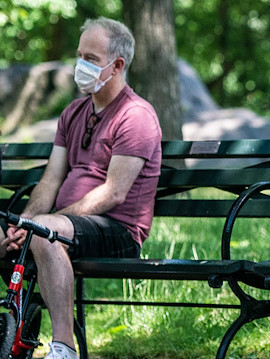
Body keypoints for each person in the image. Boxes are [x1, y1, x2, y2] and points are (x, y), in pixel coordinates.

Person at [0, 17, 162, 359]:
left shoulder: (136, 116)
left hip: (117, 230)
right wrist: (24, 221)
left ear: (116, 65)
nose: (80, 65)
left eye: (90, 58)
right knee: (19, 230)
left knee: (45, 232)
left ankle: (64, 349)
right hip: (60, 224)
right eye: (79, 55)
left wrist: (40, 225)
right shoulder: (73, 112)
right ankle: (12, 333)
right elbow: (50, 179)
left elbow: (113, 193)